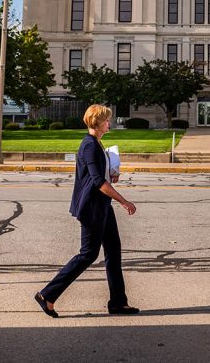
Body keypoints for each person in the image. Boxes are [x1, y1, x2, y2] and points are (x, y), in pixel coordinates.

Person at [34, 104, 138, 317]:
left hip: (102, 206)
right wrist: (124, 201)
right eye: (107, 120)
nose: (109, 123)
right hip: (92, 208)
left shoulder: (97, 143)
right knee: (87, 255)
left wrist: (113, 173)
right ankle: (47, 294)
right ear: (98, 122)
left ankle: (118, 302)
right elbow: (98, 182)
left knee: (113, 251)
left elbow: (100, 175)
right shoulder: (89, 145)